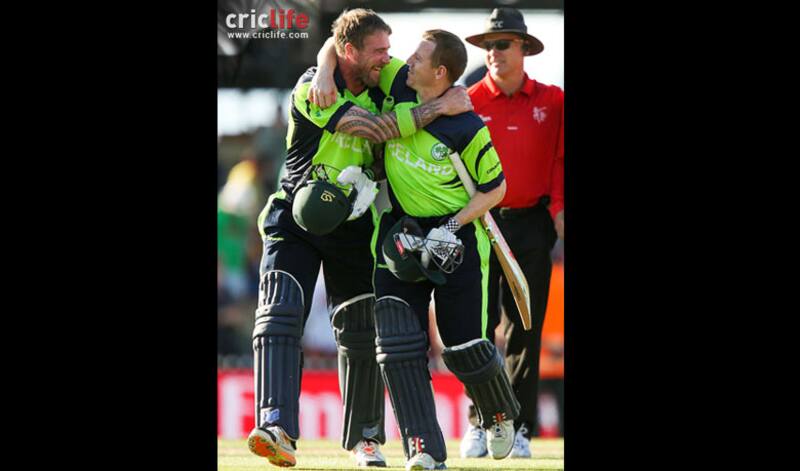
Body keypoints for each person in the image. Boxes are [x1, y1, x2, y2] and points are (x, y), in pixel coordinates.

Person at [247, 8, 472, 468]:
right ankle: (276, 426)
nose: (387, 59)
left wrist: (333, 53)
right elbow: (373, 129)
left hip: (356, 224)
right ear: (350, 51)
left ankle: (365, 439)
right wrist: (437, 109)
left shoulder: (382, 75)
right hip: (297, 217)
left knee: (360, 331)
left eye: (388, 52)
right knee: (280, 312)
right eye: (378, 51)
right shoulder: (314, 87)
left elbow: (425, 75)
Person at [311, 28, 521, 471]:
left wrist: (452, 225)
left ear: (440, 72)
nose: (405, 59)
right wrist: (325, 69)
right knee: (397, 344)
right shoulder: (399, 81)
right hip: (400, 233)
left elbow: (495, 188)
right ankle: (423, 449)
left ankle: (498, 412)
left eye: (418, 56)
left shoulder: (466, 126)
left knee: (462, 347)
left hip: (457, 238)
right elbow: (343, 40)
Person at [458, 7, 565, 459]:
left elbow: (561, 161)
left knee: (526, 327)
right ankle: (481, 423)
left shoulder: (554, 101)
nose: (493, 52)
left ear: (524, 48)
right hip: (481, 224)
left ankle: (517, 427)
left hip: (533, 225)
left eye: (503, 43)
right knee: (476, 329)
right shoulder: (464, 101)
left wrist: (559, 209)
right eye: (488, 45)